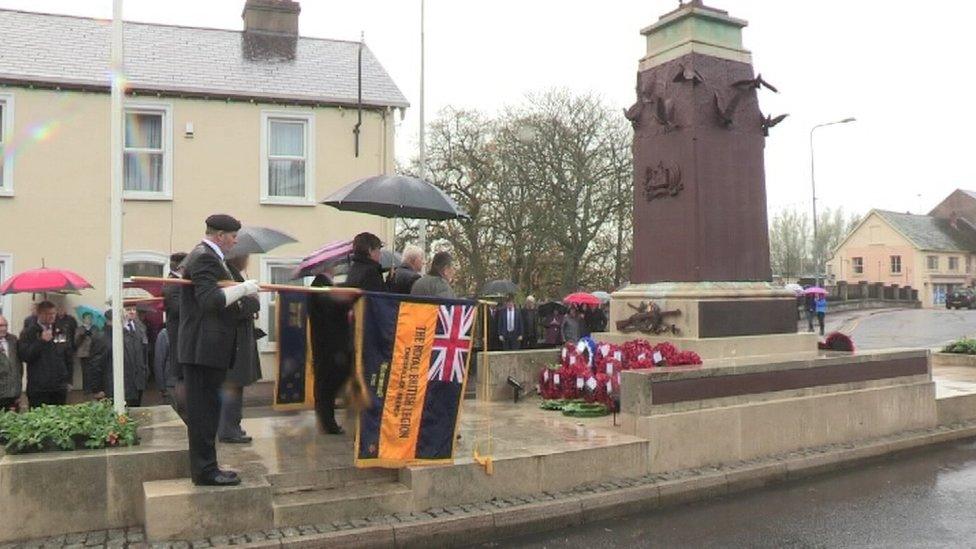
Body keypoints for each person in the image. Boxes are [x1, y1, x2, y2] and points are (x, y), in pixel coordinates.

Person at [179, 214, 258, 487]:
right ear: (220, 235)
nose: (236, 241)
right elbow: (210, 301)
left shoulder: (213, 258)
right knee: (202, 414)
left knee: (209, 411)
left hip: (210, 349)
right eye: (233, 236)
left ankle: (209, 467)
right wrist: (244, 288)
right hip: (202, 349)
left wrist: (240, 295)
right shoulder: (204, 257)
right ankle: (204, 472)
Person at [218, 253, 262, 444]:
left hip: (240, 340)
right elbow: (238, 305)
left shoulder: (236, 274)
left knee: (237, 387)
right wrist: (252, 299)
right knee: (232, 387)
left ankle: (234, 425)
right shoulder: (229, 275)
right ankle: (228, 429)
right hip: (233, 343)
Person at [309, 264, 353, 434]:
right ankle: (327, 422)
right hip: (329, 344)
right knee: (327, 384)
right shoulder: (320, 284)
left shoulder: (325, 284)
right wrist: (346, 301)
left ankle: (328, 420)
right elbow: (330, 309)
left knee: (330, 382)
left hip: (331, 343)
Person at [18, 301, 73, 407]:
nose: (52, 316)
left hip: (59, 386)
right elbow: (25, 356)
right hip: (39, 388)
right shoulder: (29, 332)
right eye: (48, 314)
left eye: (53, 313)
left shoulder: (60, 330)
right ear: (39, 314)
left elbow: (68, 356)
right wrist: (41, 341)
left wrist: (69, 379)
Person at [100, 307, 149, 407]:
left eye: (134, 309)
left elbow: (143, 352)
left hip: (138, 378)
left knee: (137, 407)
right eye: (127, 310)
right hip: (124, 381)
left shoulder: (140, 327)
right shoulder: (114, 332)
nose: (130, 312)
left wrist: (145, 371)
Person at [164, 252, 187, 419]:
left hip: (184, 337)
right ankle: (185, 414)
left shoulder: (179, 283)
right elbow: (179, 309)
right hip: (180, 338)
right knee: (182, 377)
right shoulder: (173, 285)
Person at [0, 315, 23, 411]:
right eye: (0, 326)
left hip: (13, 394)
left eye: (6, 325)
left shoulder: (13, 340)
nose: (4, 328)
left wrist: (18, 391)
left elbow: (18, 366)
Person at [74, 312, 100, 395]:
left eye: (90, 318)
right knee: (85, 371)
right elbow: (76, 342)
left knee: (94, 370)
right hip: (83, 353)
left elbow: (98, 339)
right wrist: (82, 336)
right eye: (87, 318)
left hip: (94, 352)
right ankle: (86, 389)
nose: (89, 319)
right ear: (83, 319)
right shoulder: (79, 329)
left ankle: (94, 388)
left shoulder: (95, 328)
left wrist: (92, 335)